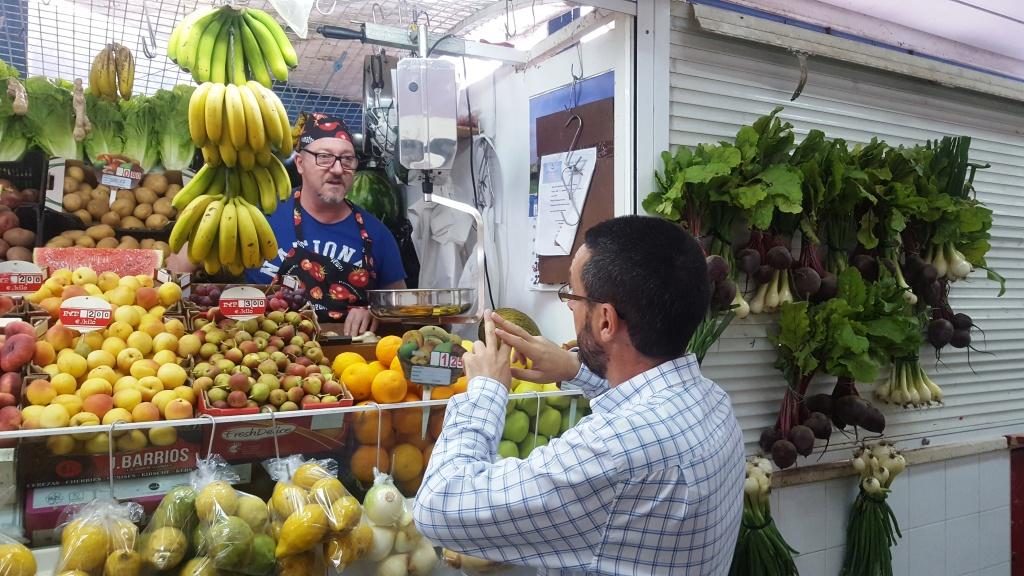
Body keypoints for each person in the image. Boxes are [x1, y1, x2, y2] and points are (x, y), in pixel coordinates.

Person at [413, 216, 745, 575]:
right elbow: (642, 414)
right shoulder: (713, 402)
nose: (569, 307)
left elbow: (438, 507)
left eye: (572, 295)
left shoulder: (608, 452)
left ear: (605, 321)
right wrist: (576, 369)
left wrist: (486, 391)